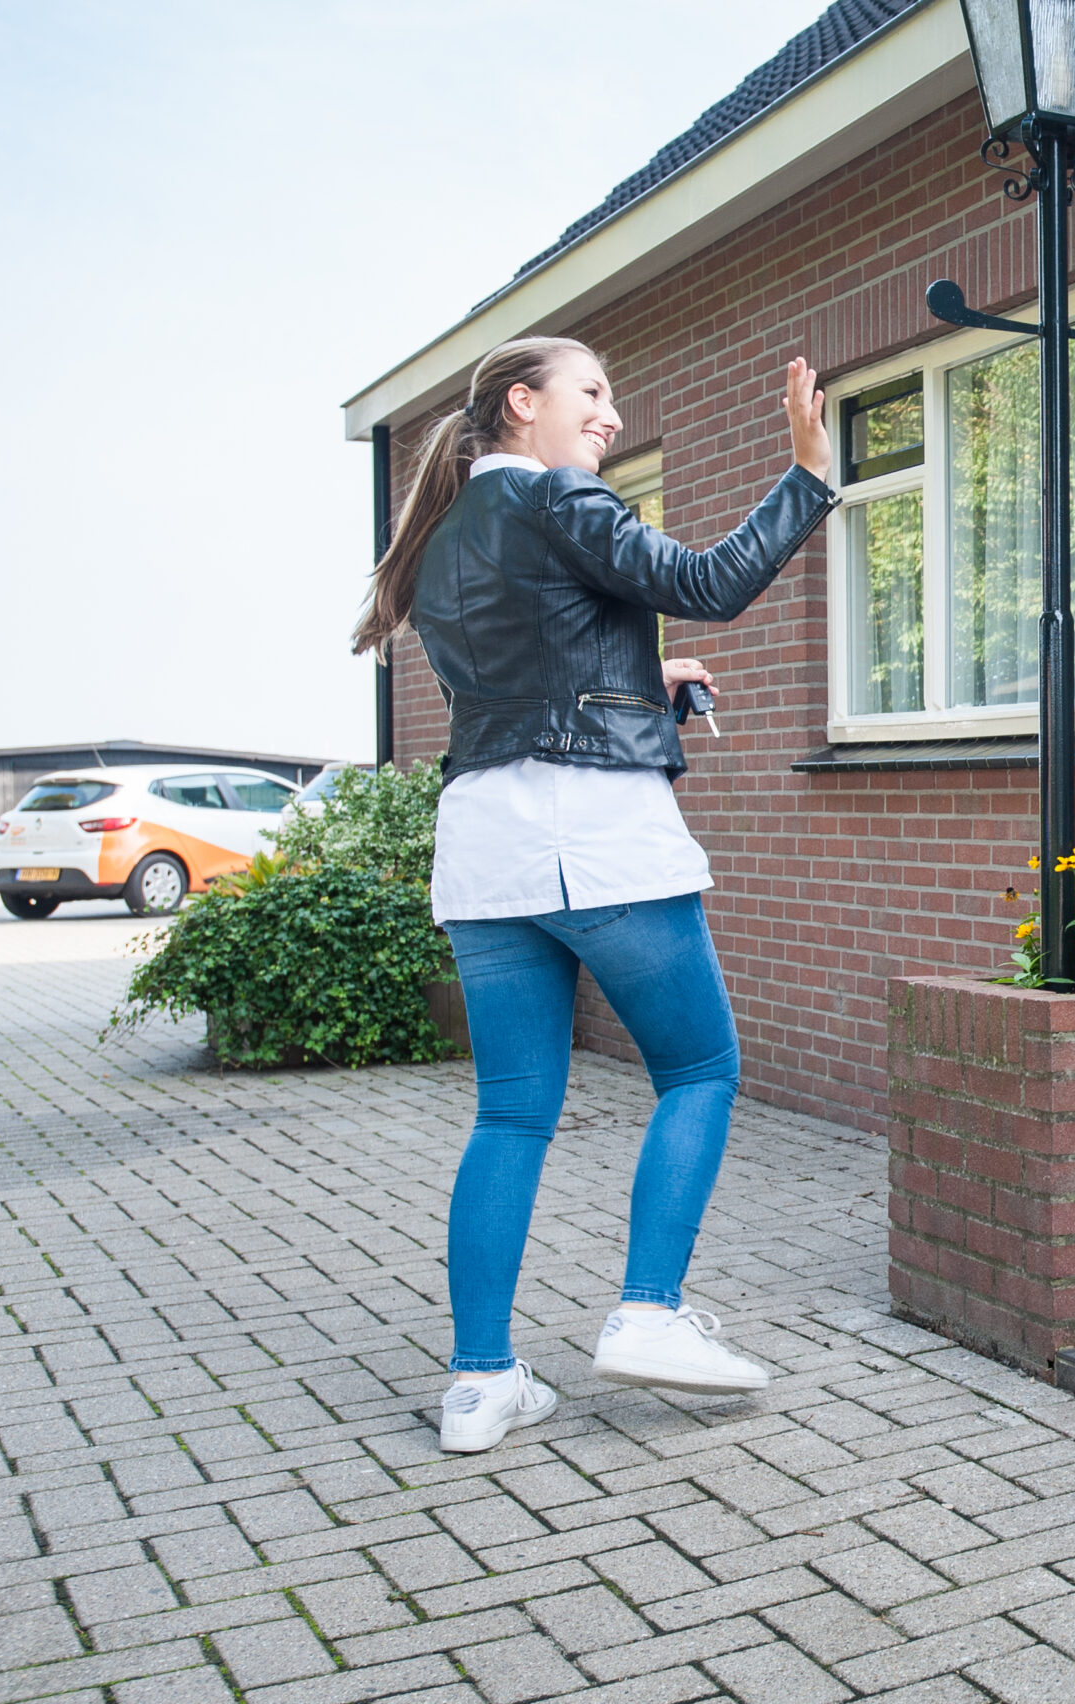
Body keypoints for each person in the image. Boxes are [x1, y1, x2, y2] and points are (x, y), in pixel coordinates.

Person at [353, 335, 836, 1451]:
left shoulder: (440, 535)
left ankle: (479, 1385)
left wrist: (639, 678)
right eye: (593, 392)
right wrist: (808, 473)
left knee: (511, 1112)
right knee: (701, 1069)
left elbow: (531, 671)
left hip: (483, 844)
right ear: (523, 405)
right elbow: (709, 584)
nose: (610, 416)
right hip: (593, 834)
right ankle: (649, 1313)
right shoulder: (559, 495)